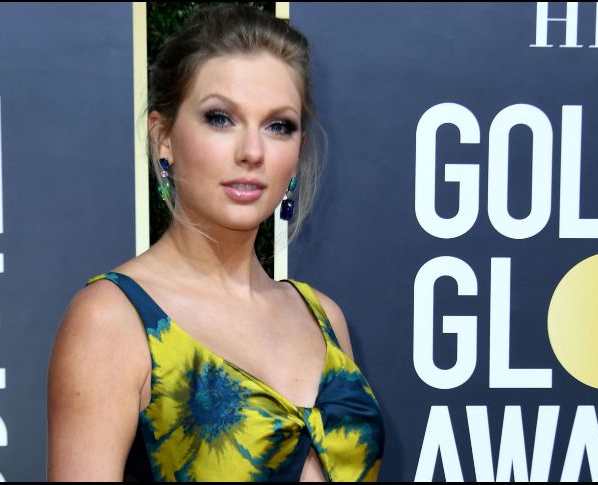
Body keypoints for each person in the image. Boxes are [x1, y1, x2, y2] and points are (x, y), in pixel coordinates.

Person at [47, 4, 384, 482]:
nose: (252, 152)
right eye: (221, 118)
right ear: (163, 137)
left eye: (278, 125)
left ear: (299, 148)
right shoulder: (111, 320)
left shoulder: (324, 319)